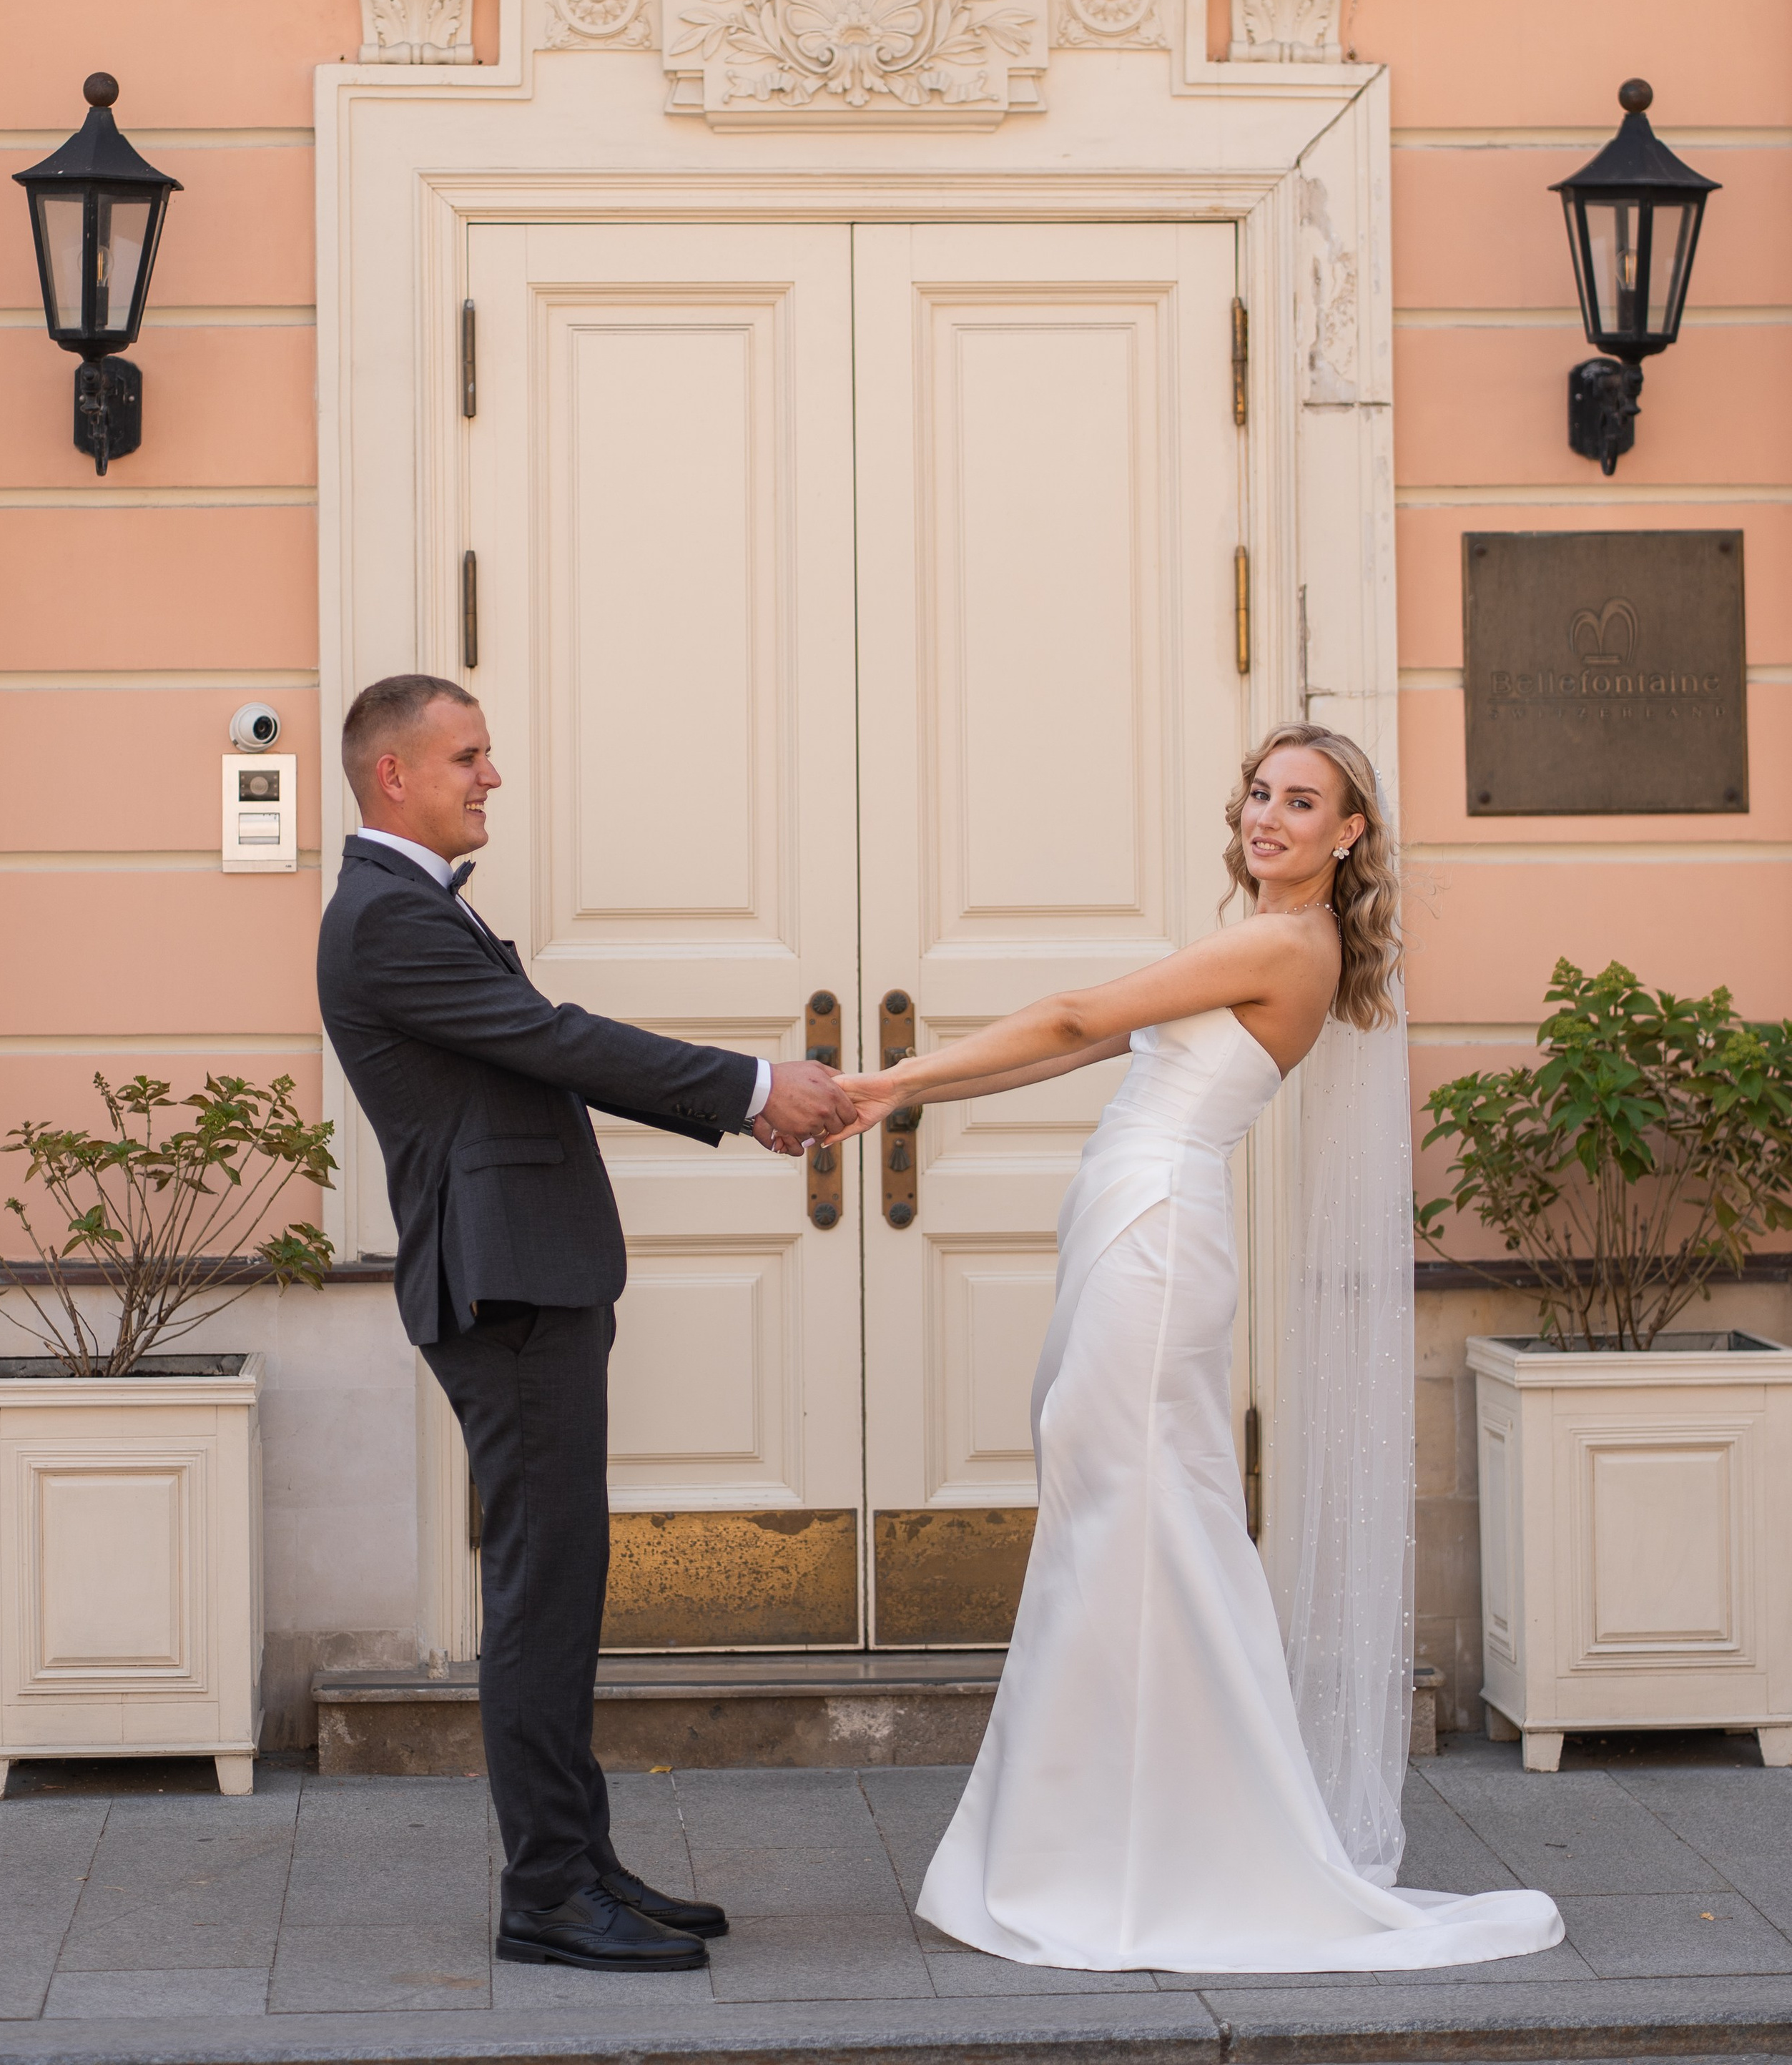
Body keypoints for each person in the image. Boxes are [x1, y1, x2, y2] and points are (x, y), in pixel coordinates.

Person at [830, 724, 1564, 1974]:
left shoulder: (1285, 941)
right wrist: (909, 1093)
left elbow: (1073, 1008)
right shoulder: (1264, 937)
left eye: (1302, 801)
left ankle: (1136, 1849)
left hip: (1160, 1237)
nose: (1267, 816)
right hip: (1139, 1222)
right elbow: (1084, 1039)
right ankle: (1125, 1832)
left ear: (1350, 833)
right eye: (1260, 794)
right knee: (1120, 1517)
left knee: (1131, 1523)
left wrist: (888, 1083)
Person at [316, 675, 854, 1976]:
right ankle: (548, 1891)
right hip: (505, 1294)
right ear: (394, 774)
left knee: (560, 1589)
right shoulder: (387, 919)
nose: (491, 776)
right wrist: (752, 1087)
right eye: (469, 755)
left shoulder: (410, 909)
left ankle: (579, 1860)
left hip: (533, 1283)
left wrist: (744, 1094)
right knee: (542, 1596)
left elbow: (533, 1053)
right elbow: (556, 1041)